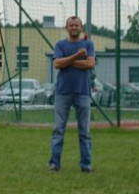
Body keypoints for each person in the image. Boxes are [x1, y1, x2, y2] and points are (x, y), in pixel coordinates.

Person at [48, 15, 96, 173]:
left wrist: (67, 62)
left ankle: (86, 165)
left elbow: (89, 63)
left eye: (77, 25)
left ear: (81, 27)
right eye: (71, 25)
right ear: (66, 28)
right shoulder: (60, 45)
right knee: (58, 130)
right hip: (63, 92)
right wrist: (76, 57)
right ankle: (54, 164)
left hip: (83, 92)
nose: (74, 27)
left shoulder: (88, 44)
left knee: (85, 132)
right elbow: (56, 63)